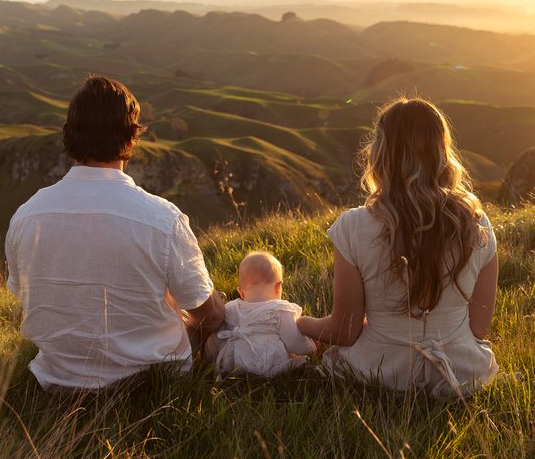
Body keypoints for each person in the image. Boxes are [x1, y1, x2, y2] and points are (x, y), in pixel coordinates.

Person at [6, 75, 225, 391]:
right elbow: (208, 315)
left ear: (68, 135)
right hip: (150, 383)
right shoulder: (162, 219)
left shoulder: (27, 215)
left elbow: (24, 294)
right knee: (209, 313)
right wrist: (216, 304)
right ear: (131, 135)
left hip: (57, 381)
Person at [297, 97, 499, 396]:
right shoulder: (477, 224)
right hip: (461, 373)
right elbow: (479, 329)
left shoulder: (354, 227)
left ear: (380, 154)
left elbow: (344, 332)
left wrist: (301, 323)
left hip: (379, 371)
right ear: (441, 152)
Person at [204, 251, 316, 378]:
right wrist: (311, 347)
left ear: (241, 292)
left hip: (235, 365)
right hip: (270, 364)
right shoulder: (279, 310)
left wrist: (208, 358)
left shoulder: (230, 308)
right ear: (278, 287)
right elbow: (294, 342)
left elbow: (216, 339)